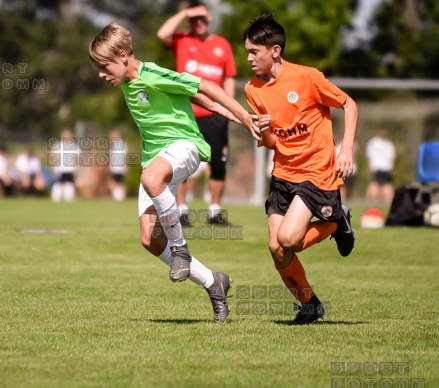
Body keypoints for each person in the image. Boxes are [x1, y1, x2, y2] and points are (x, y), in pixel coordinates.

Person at [89, 22, 259, 323]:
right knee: (150, 239)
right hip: (155, 159)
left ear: (124, 56)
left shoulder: (152, 74)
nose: (101, 75)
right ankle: (213, 282)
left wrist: (243, 116)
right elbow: (189, 96)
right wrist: (225, 113)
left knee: (151, 179)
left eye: (104, 67)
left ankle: (180, 247)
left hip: (185, 146)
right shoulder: (127, 81)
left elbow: (206, 86)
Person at [243, 14, 358, 325]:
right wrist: (264, 129)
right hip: (283, 173)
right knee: (276, 247)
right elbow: (270, 143)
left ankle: (336, 221)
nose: (250, 59)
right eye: (248, 53)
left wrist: (345, 149)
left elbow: (349, 104)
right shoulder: (253, 90)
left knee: (289, 239)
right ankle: (310, 305)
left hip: (317, 172)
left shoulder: (307, 77)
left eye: (255, 52)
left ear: (275, 51)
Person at [157, 0, 236, 226]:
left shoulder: (222, 45)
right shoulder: (182, 40)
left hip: (215, 115)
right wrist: (184, 12)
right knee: (181, 162)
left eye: (202, 18)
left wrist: (228, 108)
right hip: (186, 113)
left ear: (209, 17)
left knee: (219, 163)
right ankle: (181, 211)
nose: (198, 22)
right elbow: (162, 33)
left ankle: (214, 211)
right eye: (194, 19)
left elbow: (229, 77)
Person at [365, 129, 396, 204]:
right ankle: (372, 200)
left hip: (382, 167)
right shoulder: (384, 143)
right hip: (381, 167)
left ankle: (384, 201)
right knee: (381, 185)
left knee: (380, 184)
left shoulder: (386, 144)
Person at [50, 129, 78, 202]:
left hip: (69, 170)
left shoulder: (74, 146)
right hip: (59, 170)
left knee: (69, 187)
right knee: (58, 186)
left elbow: (77, 157)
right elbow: (53, 156)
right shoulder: (57, 146)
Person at [108, 128, 128, 202]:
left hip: (119, 167)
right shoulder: (114, 145)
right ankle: (119, 196)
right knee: (116, 182)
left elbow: (124, 155)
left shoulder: (122, 144)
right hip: (114, 168)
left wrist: (125, 166)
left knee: (115, 182)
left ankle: (120, 196)